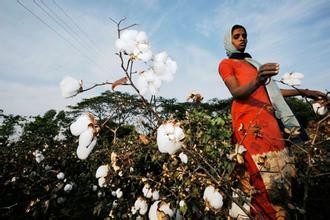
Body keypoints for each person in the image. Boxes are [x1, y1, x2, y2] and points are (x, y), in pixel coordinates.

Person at [218, 25, 326, 219]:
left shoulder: (253, 64)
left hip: (271, 125)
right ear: (229, 41)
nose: (242, 39)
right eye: (236, 36)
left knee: (281, 179)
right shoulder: (226, 64)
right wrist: (258, 80)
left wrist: (304, 92)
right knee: (260, 181)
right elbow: (236, 92)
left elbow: (273, 92)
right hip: (249, 126)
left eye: (244, 35)